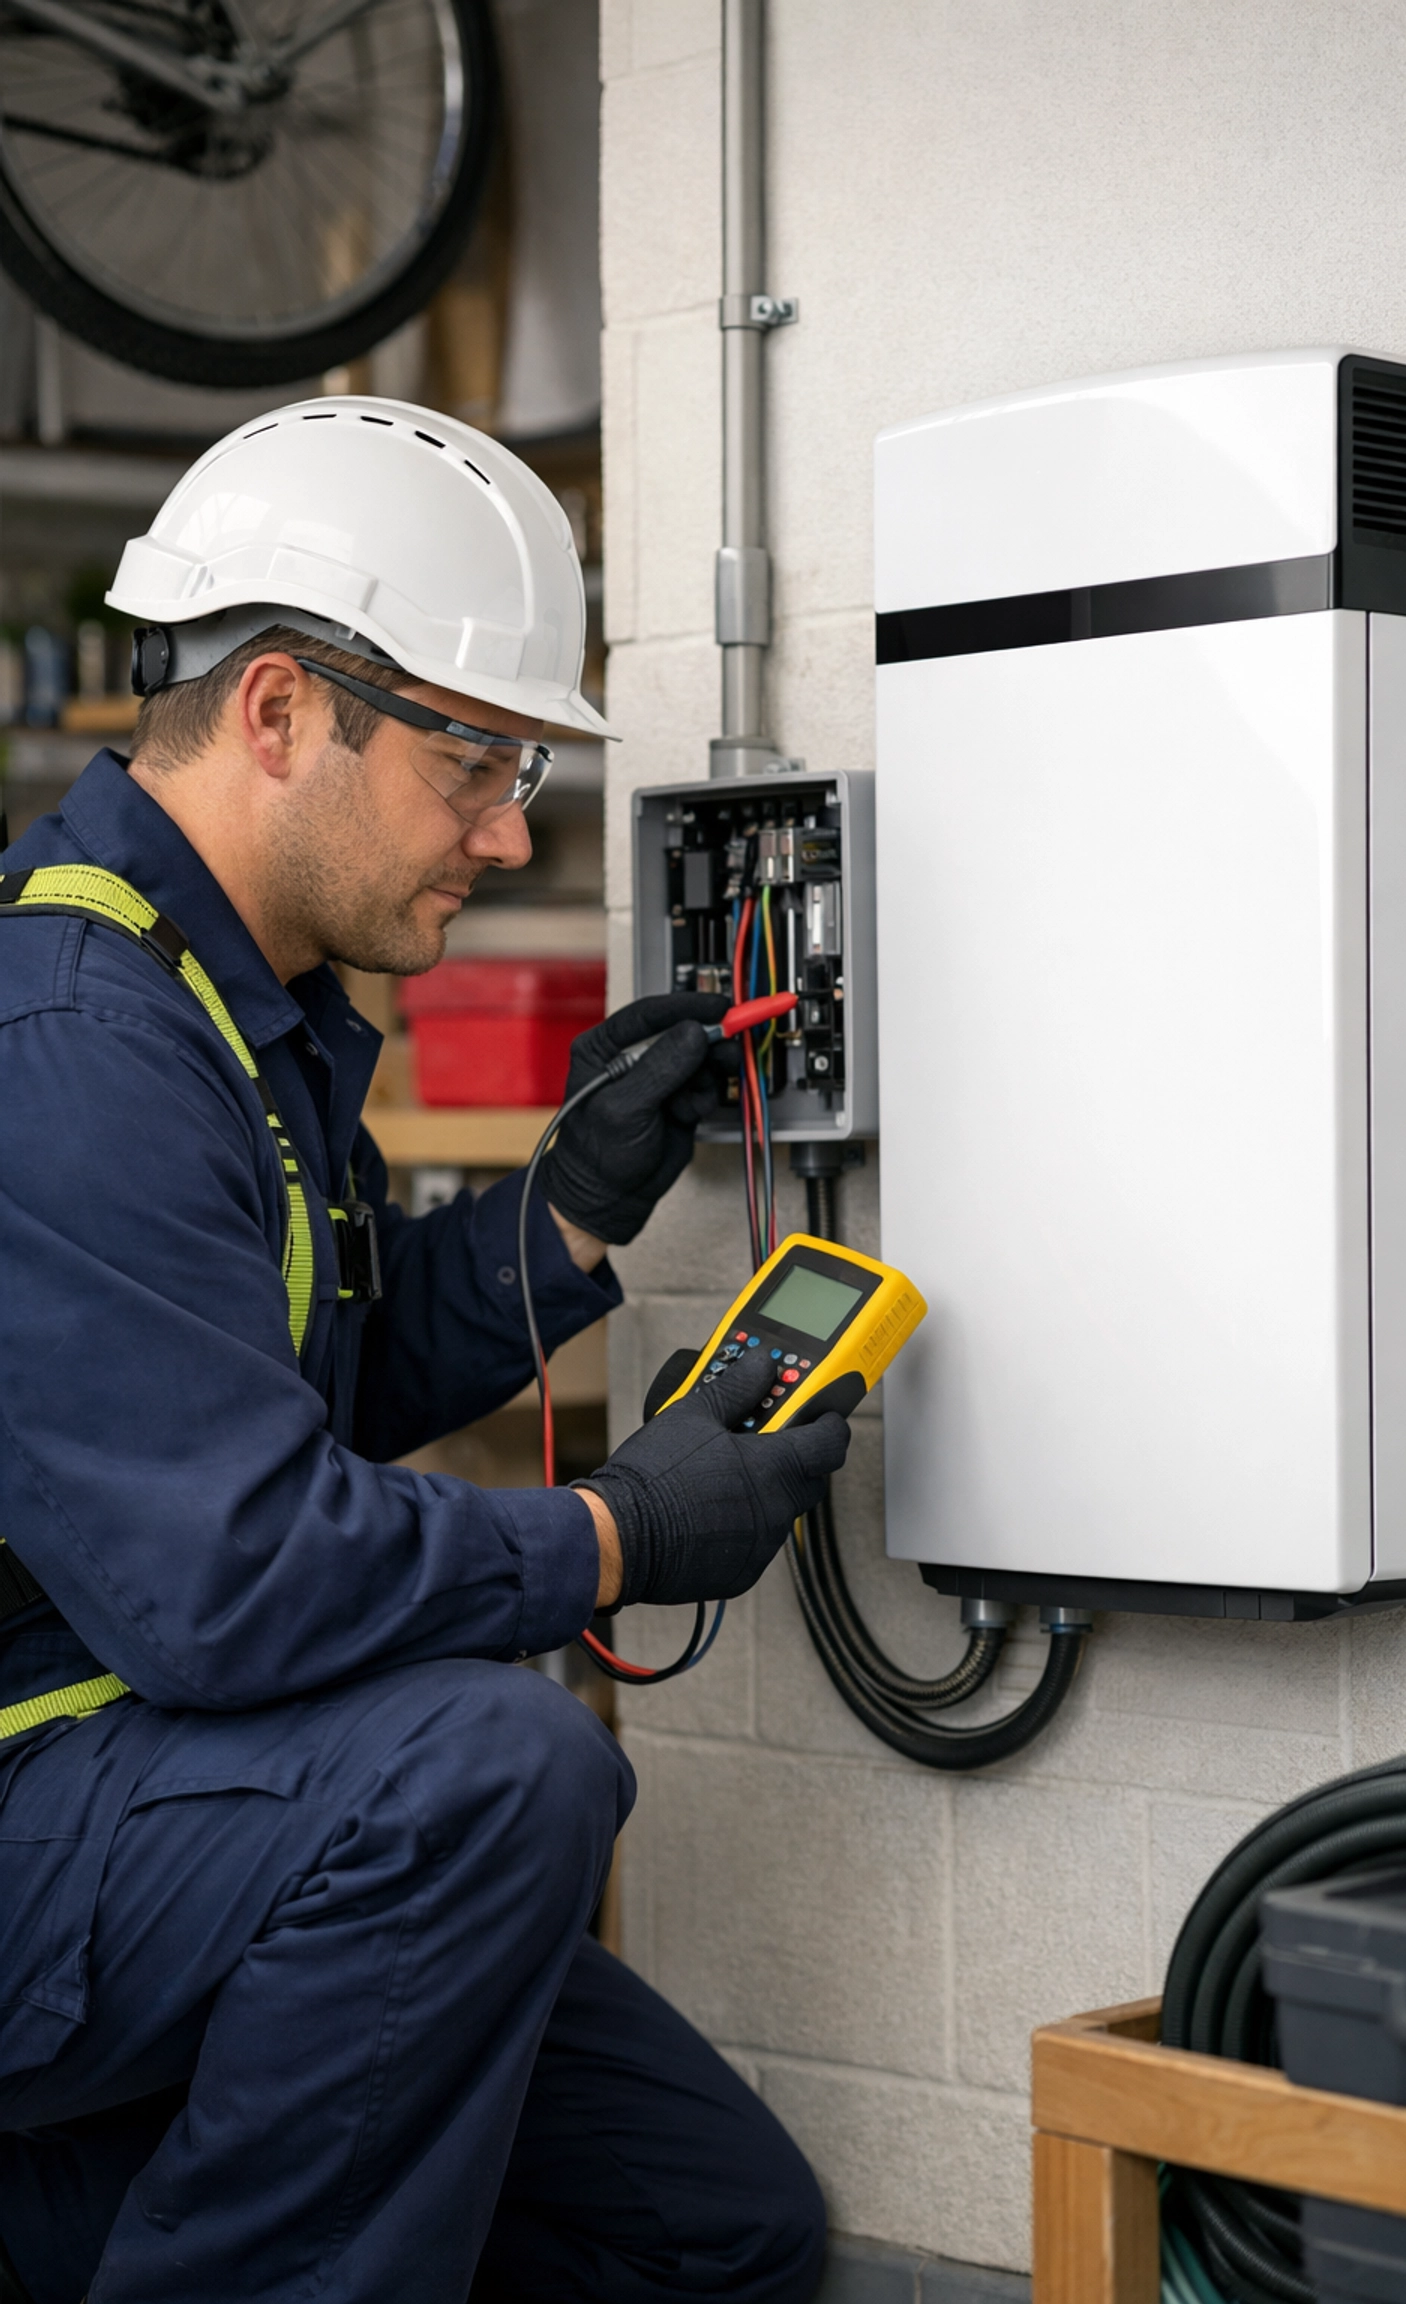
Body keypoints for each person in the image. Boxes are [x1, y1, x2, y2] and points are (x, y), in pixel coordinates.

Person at [0, 399, 850, 2304]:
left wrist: (564, 1215)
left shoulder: (240, 1003)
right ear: (285, 711)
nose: (509, 828)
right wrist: (618, 1535)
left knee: (713, 2229)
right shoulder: (72, 1044)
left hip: (150, 1789)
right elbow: (232, 1579)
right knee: (487, 1767)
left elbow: (301, 1394)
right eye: (479, 761)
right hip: (41, 1794)